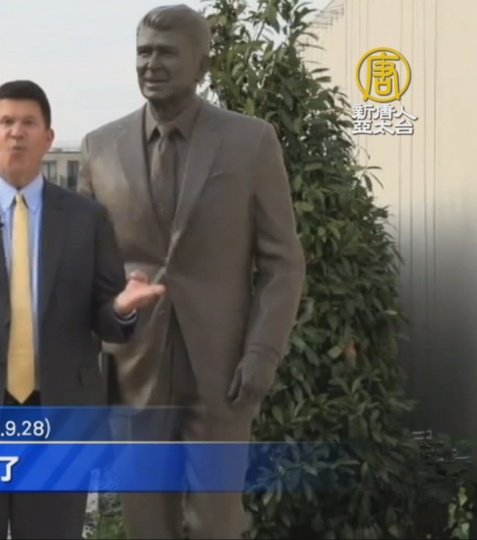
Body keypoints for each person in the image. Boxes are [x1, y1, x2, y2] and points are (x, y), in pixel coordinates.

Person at [0, 80, 166, 540]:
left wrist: (120, 307)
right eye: (6, 122)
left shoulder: (87, 218)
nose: (16, 132)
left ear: (48, 137)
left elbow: (106, 316)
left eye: (28, 123)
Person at [77, 5, 307, 539]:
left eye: (166, 53)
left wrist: (262, 352)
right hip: (132, 367)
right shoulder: (99, 147)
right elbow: (83, 268)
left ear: (201, 64)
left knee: (217, 523)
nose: (151, 64)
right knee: (146, 523)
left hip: (223, 369)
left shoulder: (250, 142)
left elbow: (283, 261)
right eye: (143, 52)